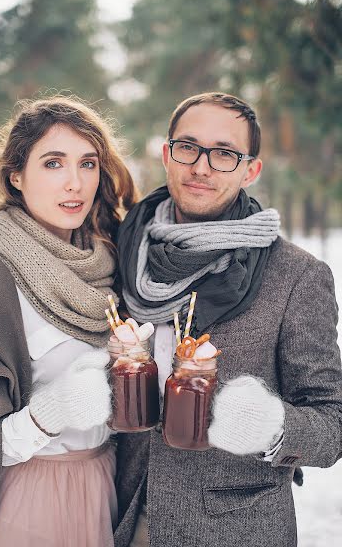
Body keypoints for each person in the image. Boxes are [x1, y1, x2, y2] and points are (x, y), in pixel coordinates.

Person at [114, 92, 342, 547]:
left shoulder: (297, 276)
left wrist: (274, 425)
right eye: (188, 147)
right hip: (122, 515)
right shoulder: (125, 252)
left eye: (224, 154)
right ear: (167, 154)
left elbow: (332, 422)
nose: (201, 167)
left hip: (233, 528)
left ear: (249, 170)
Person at [0, 95, 139, 547]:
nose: (75, 183)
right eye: (53, 163)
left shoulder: (112, 266)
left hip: (101, 492)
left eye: (88, 163)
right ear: (17, 176)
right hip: (24, 504)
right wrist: (48, 415)